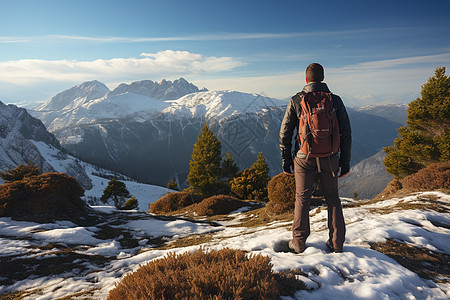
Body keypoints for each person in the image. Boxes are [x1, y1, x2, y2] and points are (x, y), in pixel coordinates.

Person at [279, 63, 352, 253]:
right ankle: (336, 243)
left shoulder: (297, 100)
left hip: (304, 157)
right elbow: (346, 132)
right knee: (333, 199)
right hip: (330, 157)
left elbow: (285, 133)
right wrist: (345, 163)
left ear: (306, 80)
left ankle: (299, 243)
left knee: (302, 198)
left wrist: (286, 161)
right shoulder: (335, 101)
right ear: (323, 78)